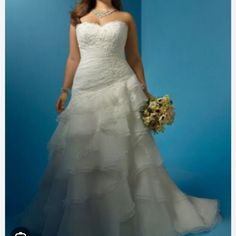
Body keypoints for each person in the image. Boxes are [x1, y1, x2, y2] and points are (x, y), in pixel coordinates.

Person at [15, 0, 221, 235]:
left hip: (120, 86)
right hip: (86, 88)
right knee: (83, 154)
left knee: (123, 152)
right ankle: (90, 220)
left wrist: (146, 92)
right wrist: (64, 90)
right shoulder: (77, 18)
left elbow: (134, 58)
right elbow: (73, 58)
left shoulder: (125, 18)